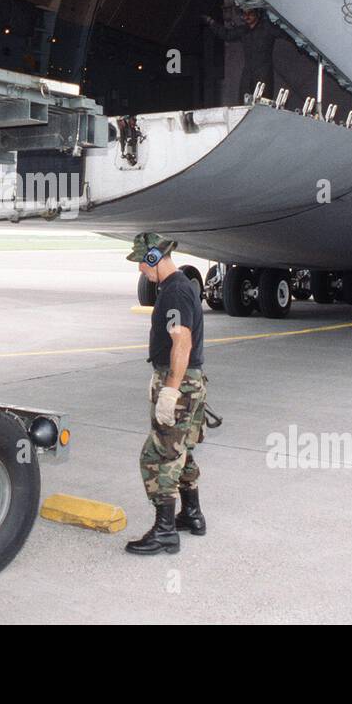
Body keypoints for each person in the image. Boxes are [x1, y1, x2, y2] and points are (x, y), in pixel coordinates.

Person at [124, 232, 208, 555]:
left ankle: (164, 531)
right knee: (183, 448)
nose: (141, 271)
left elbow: (181, 342)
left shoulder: (174, 292)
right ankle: (191, 514)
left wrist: (170, 390)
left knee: (158, 456)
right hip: (191, 380)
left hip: (181, 383)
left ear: (154, 259)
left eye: (142, 264)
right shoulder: (180, 287)